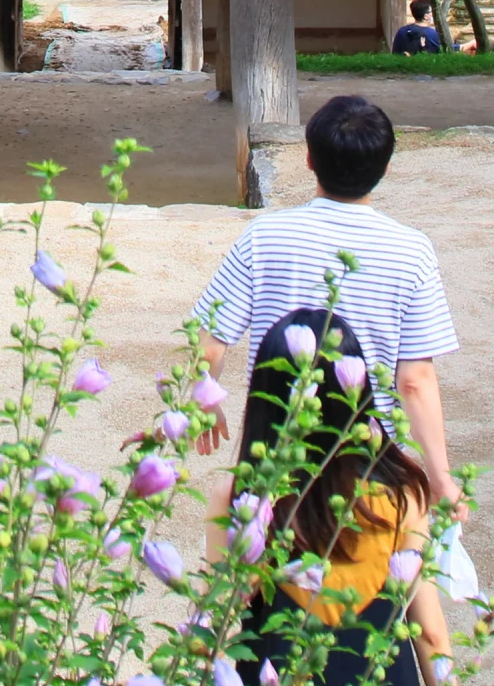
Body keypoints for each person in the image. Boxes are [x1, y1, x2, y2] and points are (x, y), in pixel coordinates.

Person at [206, 308, 478, 686]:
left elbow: (220, 622)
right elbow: (429, 632)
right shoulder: (404, 491)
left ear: (266, 399)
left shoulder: (244, 502)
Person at [189, 94, 464, 520]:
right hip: (370, 454)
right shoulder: (412, 251)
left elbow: (210, 339)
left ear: (309, 161)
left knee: (266, 563)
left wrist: (204, 397)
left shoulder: (264, 236)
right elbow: (414, 379)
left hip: (276, 444)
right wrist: (440, 475)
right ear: (386, 167)